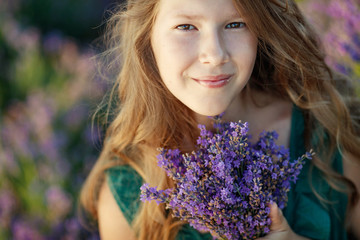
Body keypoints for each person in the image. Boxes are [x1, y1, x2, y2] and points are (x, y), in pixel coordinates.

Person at [80, 0, 360, 239]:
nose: (214, 54)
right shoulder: (127, 195)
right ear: (147, 35)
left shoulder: (328, 132)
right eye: (186, 26)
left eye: (235, 24)